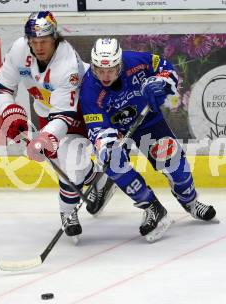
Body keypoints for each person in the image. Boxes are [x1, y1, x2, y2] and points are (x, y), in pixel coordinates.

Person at [0, 12, 115, 243]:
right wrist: (10, 111)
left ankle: (68, 211)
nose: (38, 47)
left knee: (70, 164)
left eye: (44, 41)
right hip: (48, 111)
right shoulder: (19, 49)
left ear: (55, 38)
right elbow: (1, 89)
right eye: (34, 41)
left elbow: (64, 115)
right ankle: (98, 179)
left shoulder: (67, 63)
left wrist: (45, 137)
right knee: (66, 164)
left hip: (80, 109)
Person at [79, 38, 217, 243]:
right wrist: (107, 146)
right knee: (113, 162)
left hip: (148, 121)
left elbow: (166, 68)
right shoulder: (89, 89)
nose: (105, 75)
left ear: (120, 64)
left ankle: (191, 202)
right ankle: (152, 207)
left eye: (111, 69)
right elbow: (98, 127)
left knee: (174, 163)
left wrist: (161, 83)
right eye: (100, 70)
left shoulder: (135, 60)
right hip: (115, 130)